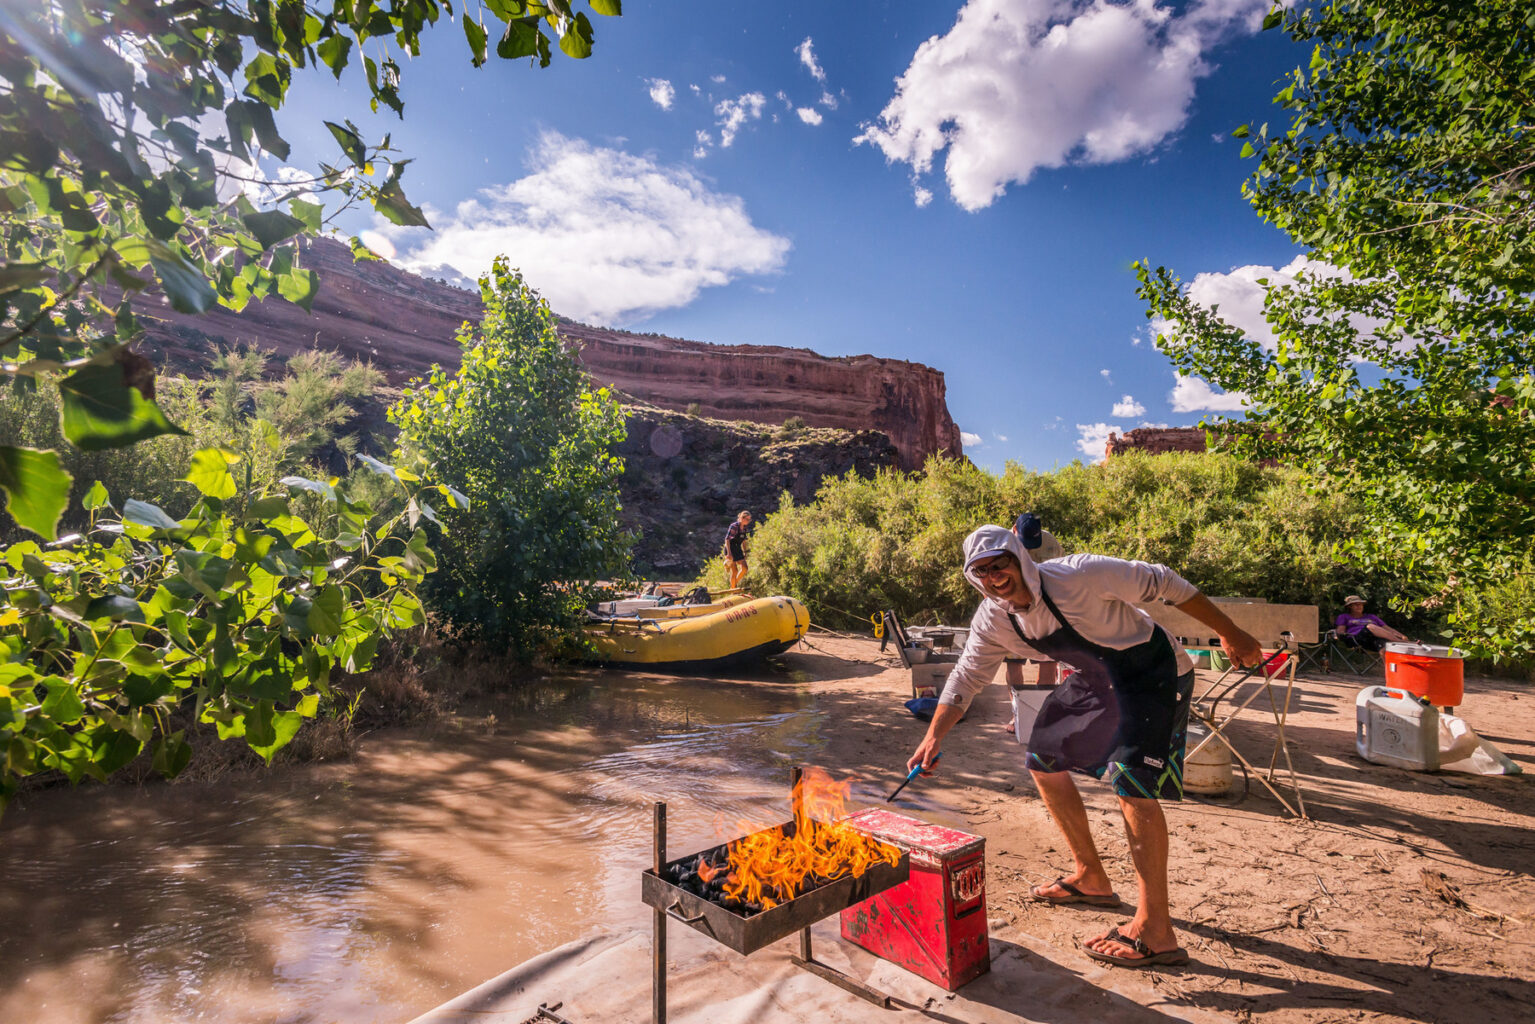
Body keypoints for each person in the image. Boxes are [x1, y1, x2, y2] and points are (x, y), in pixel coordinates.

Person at [906, 524, 1263, 968]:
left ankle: (1156, 929)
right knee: (1042, 758)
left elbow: (1167, 582)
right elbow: (967, 676)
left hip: (1152, 672)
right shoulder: (992, 617)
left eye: (1001, 564)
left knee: (1133, 784)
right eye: (982, 571)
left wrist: (1232, 633)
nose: (994, 577)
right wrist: (933, 735)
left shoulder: (1078, 575)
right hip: (1096, 679)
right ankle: (1092, 877)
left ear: (1020, 557)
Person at [1334, 595, 1410, 650]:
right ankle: (1400, 642)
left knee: (1383, 646)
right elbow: (1340, 631)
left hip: (1373, 639)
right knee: (1370, 626)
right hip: (1356, 639)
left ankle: (1388, 671)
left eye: (1361, 604)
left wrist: (1402, 636)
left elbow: (1387, 629)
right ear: (1350, 607)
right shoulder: (1344, 617)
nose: (1359, 606)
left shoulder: (1371, 617)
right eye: (1356, 605)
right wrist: (1338, 636)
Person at [722, 510, 752, 589]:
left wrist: (745, 551)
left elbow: (744, 541)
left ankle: (734, 585)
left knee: (745, 568)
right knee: (734, 571)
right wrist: (729, 553)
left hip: (738, 548)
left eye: (750, 519)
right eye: (747, 519)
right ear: (742, 518)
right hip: (730, 548)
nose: (749, 521)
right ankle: (733, 589)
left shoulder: (745, 528)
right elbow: (727, 539)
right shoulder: (734, 526)